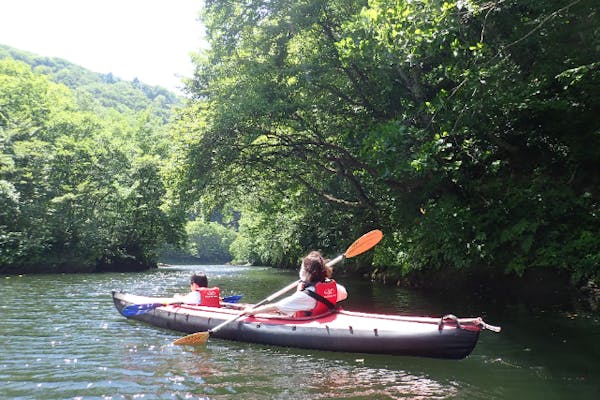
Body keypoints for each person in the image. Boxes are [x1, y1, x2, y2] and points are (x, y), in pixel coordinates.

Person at [243, 251, 347, 317]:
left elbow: (276, 306)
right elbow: (344, 294)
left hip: (309, 321)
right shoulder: (331, 287)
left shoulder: (305, 295)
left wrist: (252, 312)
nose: (299, 270)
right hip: (323, 315)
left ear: (307, 272)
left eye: (301, 268)